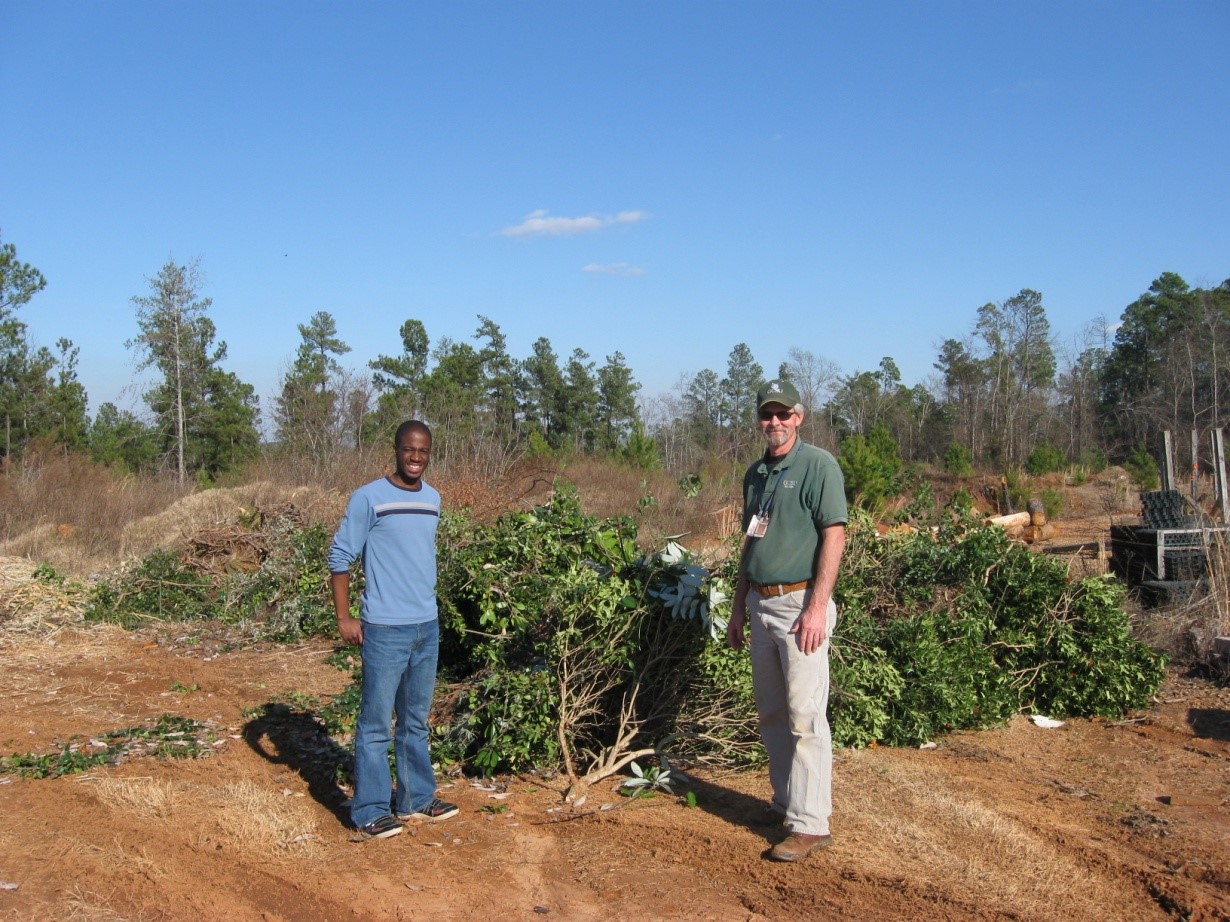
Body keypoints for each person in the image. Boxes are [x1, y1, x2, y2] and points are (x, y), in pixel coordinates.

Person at [727, 379, 848, 862]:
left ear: (798, 417)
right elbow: (751, 543)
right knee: (773, 713)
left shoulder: (818, 465)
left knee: (805, 716)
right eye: (766, 414)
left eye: (783, 414)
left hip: (800, 607)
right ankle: (785, 804)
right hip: (759, 604)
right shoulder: (755, 473)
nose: (773, 422)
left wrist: (817, 607)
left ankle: (811, 823)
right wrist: (738, 607)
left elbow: (834, 536)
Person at [328, 419, 458, 840]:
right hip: (384, 628)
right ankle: (368, 809)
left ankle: (416, 797)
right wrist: (345, 618)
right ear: (396, 450)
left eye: (423, 451)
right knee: (375, 724)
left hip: (426, 626)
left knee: (416, 720)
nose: (416, 458)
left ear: (429, 453)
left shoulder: (434, 499)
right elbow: (340, 558)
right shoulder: (369, 498)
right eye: (409, 450)